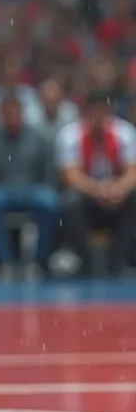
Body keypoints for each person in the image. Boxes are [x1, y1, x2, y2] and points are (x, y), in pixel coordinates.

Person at [0, 94, 60, 279]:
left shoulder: (40, 137)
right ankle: (4, 263)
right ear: (1, 114)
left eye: (16, 111)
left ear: (22, 113)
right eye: (7, 112)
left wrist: (46, 187)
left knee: (50, 202)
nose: (12, 116)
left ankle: (38, 262)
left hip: (33, 189)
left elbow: (49, 175)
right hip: (2, 190)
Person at [56, 89, 136, 275]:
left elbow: (132, 171)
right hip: (88, 198)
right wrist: (97, 190)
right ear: (86, 113)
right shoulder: (70, 135)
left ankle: (119, 261)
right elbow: (70, 175)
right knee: (70, 201)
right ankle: (86, 260)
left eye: (102, 112)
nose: (98, 117)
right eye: (94, 112)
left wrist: (119, 188)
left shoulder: (125, 133)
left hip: (116, 196)